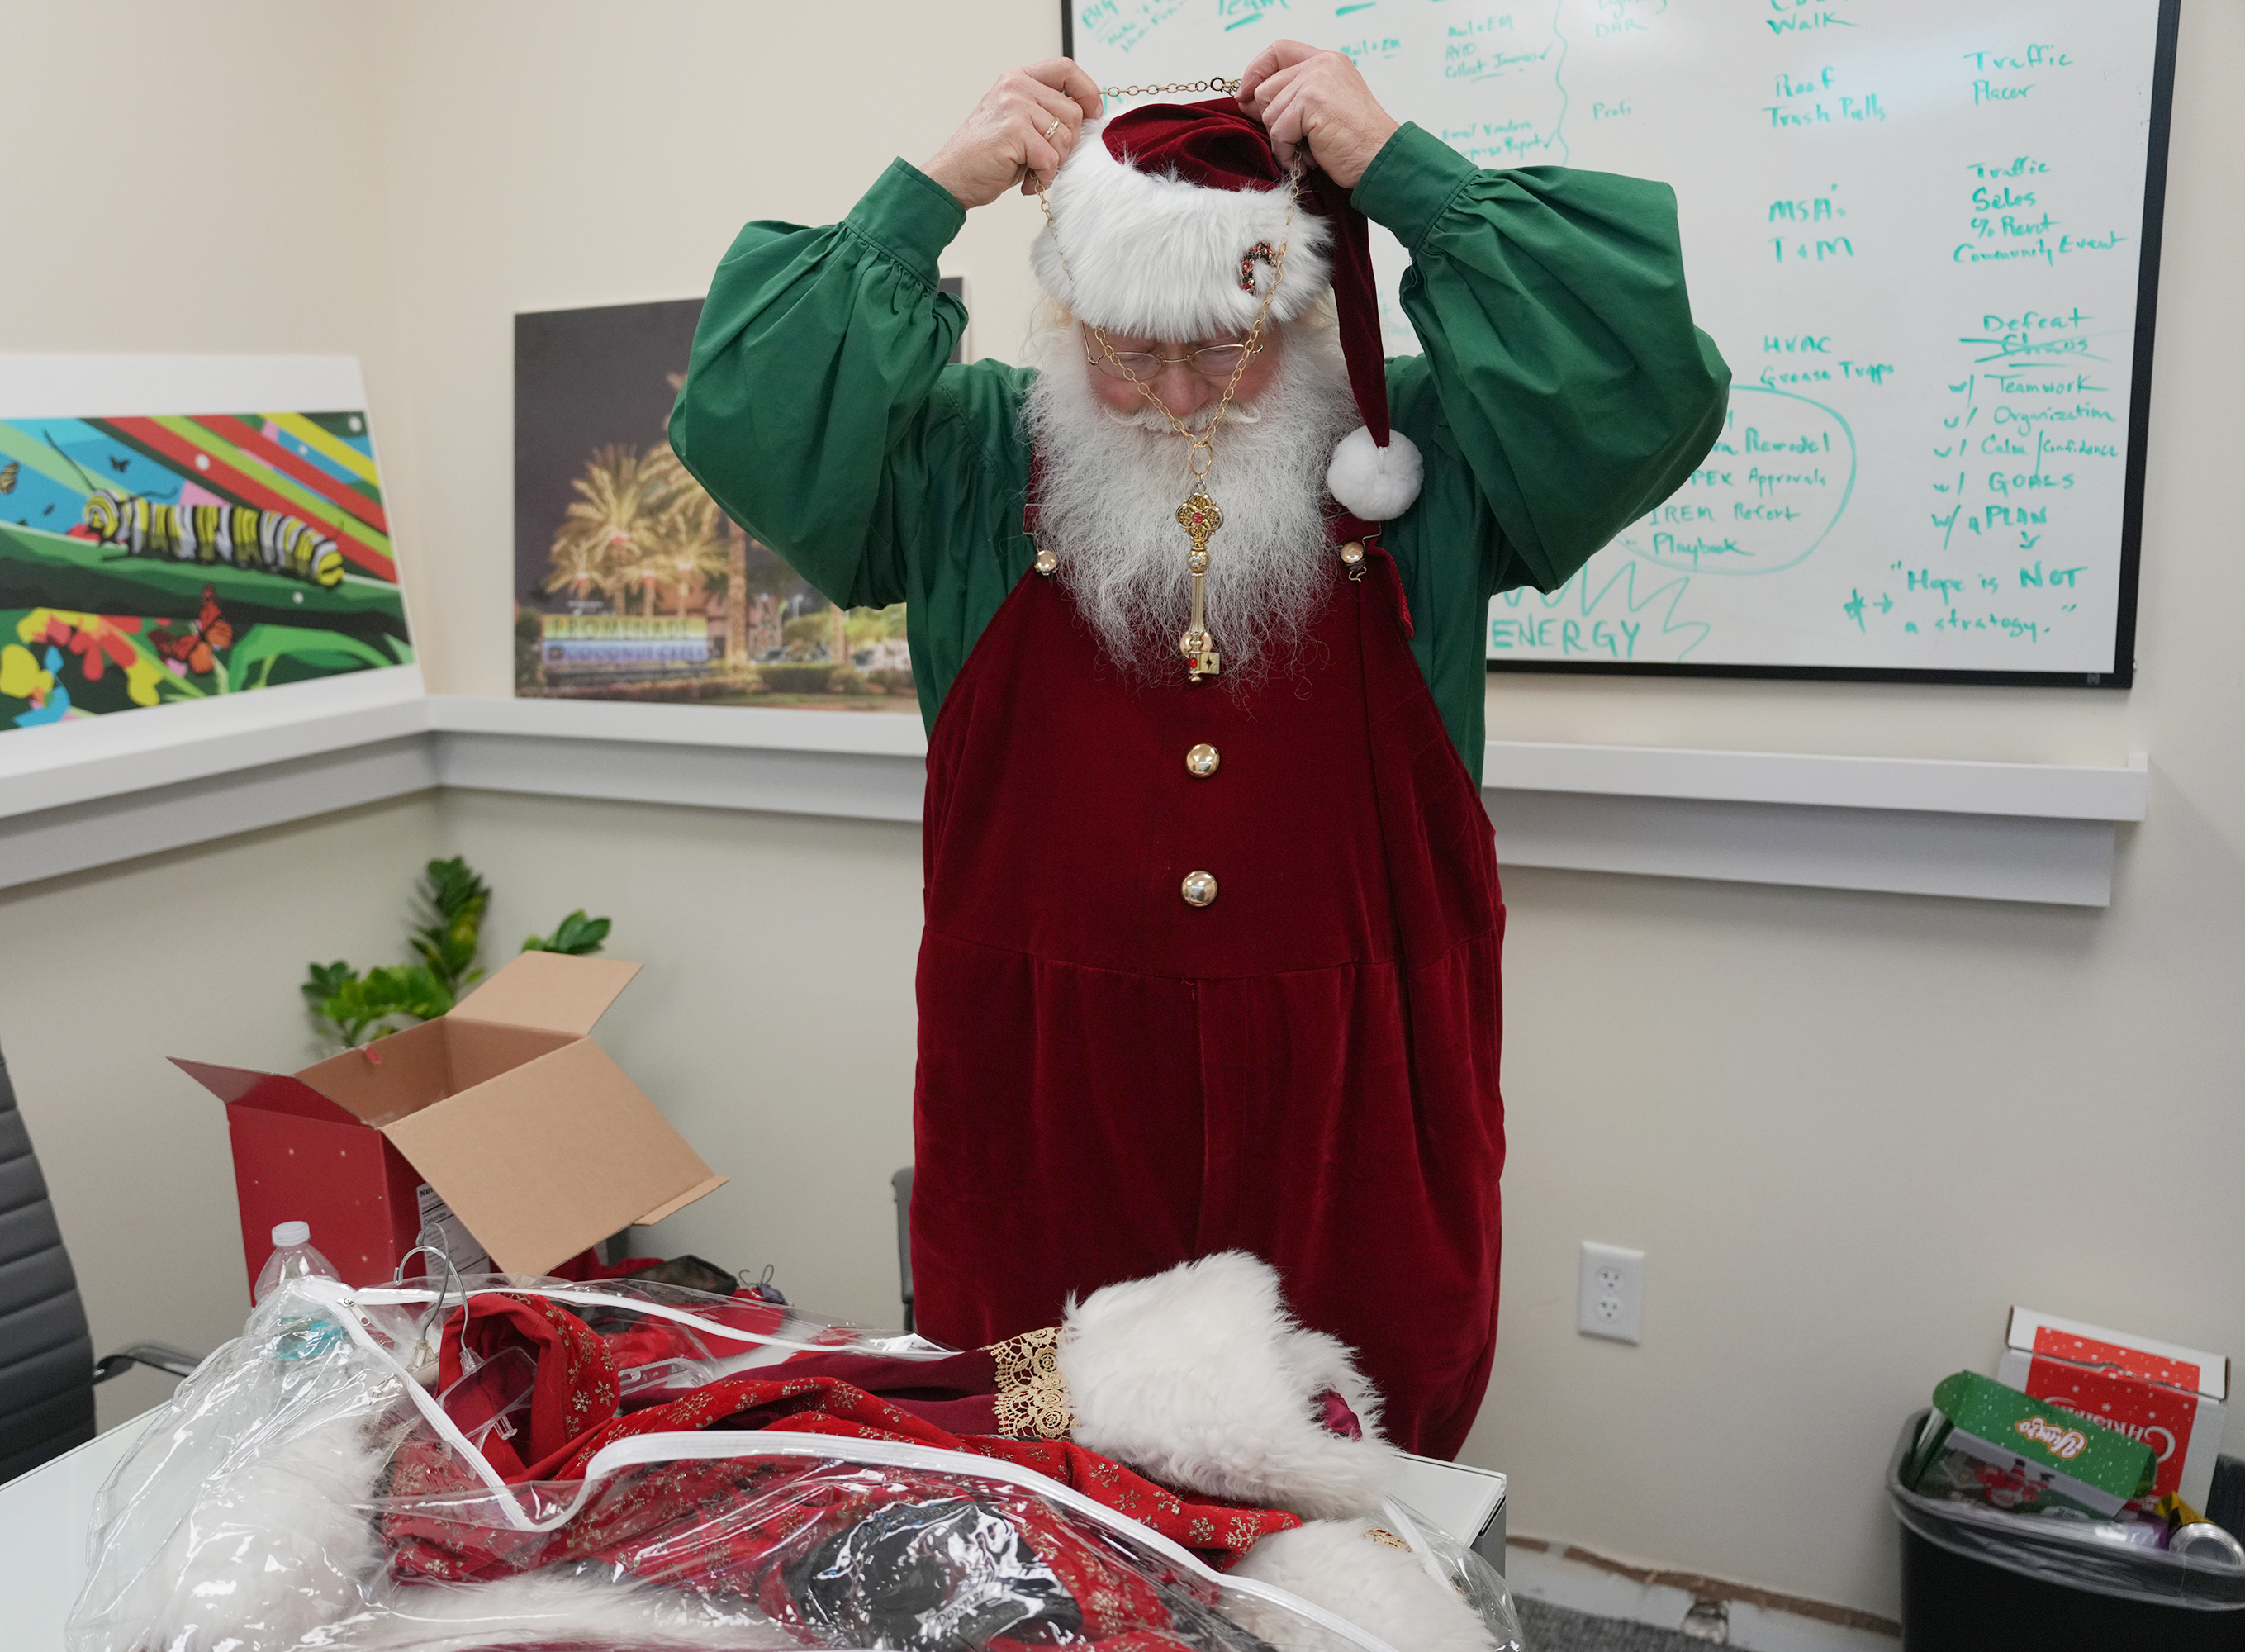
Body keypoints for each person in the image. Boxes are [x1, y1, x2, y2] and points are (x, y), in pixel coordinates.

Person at [672, 41, 1729, 1454]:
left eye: (1225, 348)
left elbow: (1650, 386)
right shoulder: (971, 463)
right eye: (1130, 352)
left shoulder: (1423, 454)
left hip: (1359, 1123)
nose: (1179, 397)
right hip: (1039, 1124)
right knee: (1037, 1460)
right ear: (1070, 321)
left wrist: (1403, 171)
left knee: (1351, 1470)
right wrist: (927, 193)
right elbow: (746, 416)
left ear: (1297, 309)